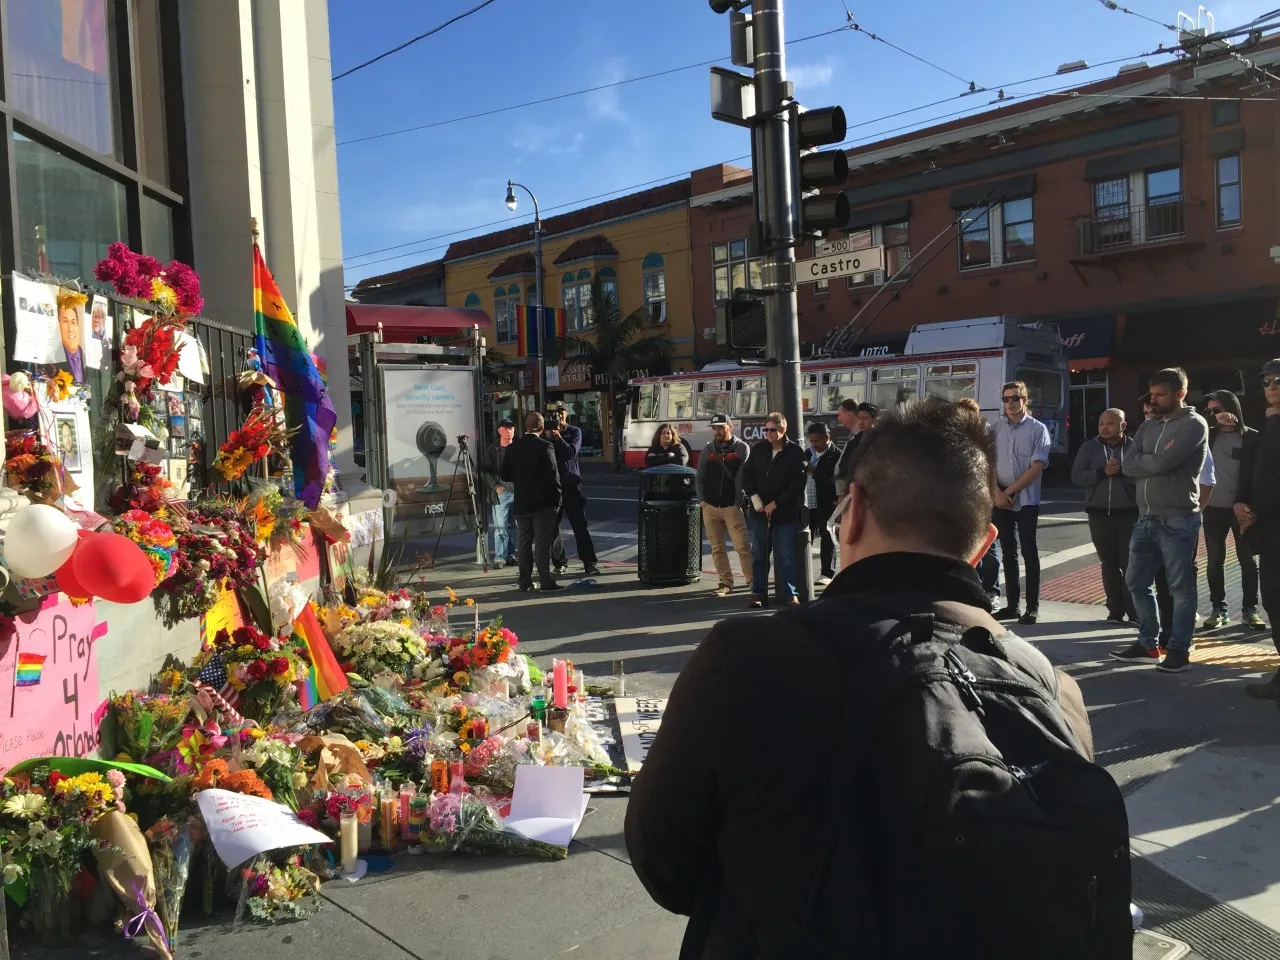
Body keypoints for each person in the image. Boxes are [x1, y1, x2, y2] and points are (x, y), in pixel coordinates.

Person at [626, 399, 1104, 958]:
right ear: (983, 546)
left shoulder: (747, 658)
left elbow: (665, 864)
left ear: (852, 512)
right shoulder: (1053, 689)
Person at [1112, 368, 1209, 672]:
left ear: (1180, 393)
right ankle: (1148, 643)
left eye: (1159, 394)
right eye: (1151, 394)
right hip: (1146, 518)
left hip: (1178, 519)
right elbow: (1128, 466)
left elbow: (1167, 462)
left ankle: (1179, 649)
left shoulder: (1194, 424)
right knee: (1136, 582)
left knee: (1180, 589)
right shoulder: (1148, 425)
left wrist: (1148, 462)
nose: (1152, 400)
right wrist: (1151, 463)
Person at [1201, 390, 1264, 630]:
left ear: (1232, 408)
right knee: (1214, 560)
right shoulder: (1208, 435)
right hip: (1213, 509)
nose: (1215, 415)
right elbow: (1193, 431)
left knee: (1248, 561)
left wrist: (1249, 505)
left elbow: (1259, 475)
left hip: (1243, 508)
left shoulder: (1252, 438)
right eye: (1210, 411)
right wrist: (1211, 420)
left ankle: (1250, 610)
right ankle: (1219, 609)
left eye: (1218, 410)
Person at [991, 380, 1052, 625]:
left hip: (1025, 498)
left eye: (1014, 398)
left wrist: (1012, 490)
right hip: (1000, 498)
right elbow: (986, 462)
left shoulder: (1038, 429)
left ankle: (1032, 607)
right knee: (1007, 552)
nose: (1009, 403)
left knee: (1029, 551)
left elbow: (1037, 465)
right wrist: (996, 492)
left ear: (1024, 400)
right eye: (1005, 399)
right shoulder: (995, 429)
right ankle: (1012, 606)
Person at [1238, 359, 1280, 698]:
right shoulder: (1268, 423)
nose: (1272, 386)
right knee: (1274, 602)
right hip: (1268, 529)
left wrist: (1254, 510)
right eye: (1267, 381)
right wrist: (1243, 503)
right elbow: (1257, 472)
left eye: (1278, 380)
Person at [1072, 408, 1138, 624]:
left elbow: (1143, 477)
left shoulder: (1134, 446)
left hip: (1129, 515)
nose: (1105, 427)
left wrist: (1121, 472)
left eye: (1110, 423)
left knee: (1130, 564)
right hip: (1099, 515)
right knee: (1108, 564)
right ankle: (1115, 611)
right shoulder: (1089, 448)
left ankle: (1134, 612)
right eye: (1101, 423)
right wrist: (1102, 472)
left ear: (1123, 426)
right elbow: (1077, 476)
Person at [740, 411, 807, 609]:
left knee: (786, 555)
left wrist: (776, 502)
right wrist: (755, 498)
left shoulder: (795, 452)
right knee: (759, 554)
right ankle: (758, 593)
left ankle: (791, 594)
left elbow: (797, 483)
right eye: (766, 430)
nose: (768, 433)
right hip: (760, 512)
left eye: (772, 430)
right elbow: (747, 475)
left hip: (784, 513)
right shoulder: (759, 449)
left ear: (783, 429)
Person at [500, 412, 563, 593]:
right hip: (544, 503)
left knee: (524, 542)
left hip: (522, 501)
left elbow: (505, 475)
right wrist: (558, 499)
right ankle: (545, 580)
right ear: (542, 428)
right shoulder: (546, 446)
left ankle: (524, 581)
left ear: (525, 426)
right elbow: (553, 475)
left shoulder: (513, 448)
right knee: (542, 543)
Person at [695, 413, 753, 598]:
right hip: (710, 507)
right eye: (714, 428)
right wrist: (702, 500)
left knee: (742, 547)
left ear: (730, 426)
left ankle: (753, 583)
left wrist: (737, 502)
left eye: (721, 427)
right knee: (717, 548)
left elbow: (744, 477)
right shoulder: (708, 450)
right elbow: (699, 477)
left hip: (732, 507)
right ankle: (725, 583)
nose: (717, 431)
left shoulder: (742, 448)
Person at [545, 403, 600, 577]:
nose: (558, 417)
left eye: (561, 413)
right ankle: (559, 562)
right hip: (553, 486)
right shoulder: (545, 433)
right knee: (552, 526)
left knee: (579, 525)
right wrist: (548, 436)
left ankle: (589, 563)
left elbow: (571, 453)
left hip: (571, 484)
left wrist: (558, 437)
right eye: (555, 415)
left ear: (566, 414)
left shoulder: (574, 432)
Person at [480, 418, 519, 568]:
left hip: (518, 491)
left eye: (511, 428)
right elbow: (486, 472)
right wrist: (496, 487)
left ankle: (510, 555)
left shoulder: (518, 447)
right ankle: (499, 557)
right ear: (499, 431)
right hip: (502, 493)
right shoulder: (493, 449)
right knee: (501, 527)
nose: (509, 431)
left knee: (513, 526)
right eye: (506, 428)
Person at [805, 421, 839, 586]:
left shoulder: (837, 455)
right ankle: (803, 571)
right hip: (807, 503)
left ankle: (827, 573)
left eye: (817, 441)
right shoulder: (806, 453)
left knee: (827, 539)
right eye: (811, 441)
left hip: (826, 503)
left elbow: (834, 480)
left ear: (827, 438)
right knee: (804, 538)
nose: (814, 444)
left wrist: (814, 471)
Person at [833, 398, 861, 499]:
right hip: (844, 490)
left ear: (849, 415)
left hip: (850, 491)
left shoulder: (860, 436)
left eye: (840, 415)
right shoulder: (853, 435)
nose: (838, 419)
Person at [57, 296, 86, 382]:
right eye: (65, 321)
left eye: (73, 322)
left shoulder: (87, 359)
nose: (71, 328)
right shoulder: (52, 363)